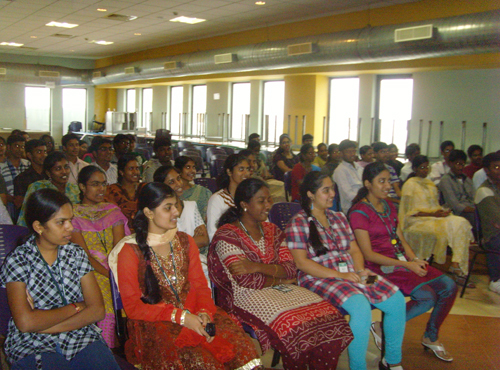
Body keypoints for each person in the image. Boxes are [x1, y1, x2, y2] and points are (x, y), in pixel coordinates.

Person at [107, 183, 262, 369]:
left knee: (243, 348)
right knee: (200, 361)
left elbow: (200, 285)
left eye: (176, 205)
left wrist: (204, 311)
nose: (176, 212)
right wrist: (181, 317)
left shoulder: (185, 241)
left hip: (195, 309)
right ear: (148, 212)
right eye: (168, 208)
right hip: (156, 321)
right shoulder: (129, 251)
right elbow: (133, 308)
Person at [209, 178, 353, 370]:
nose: (268, 205)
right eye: (262, 201)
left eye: (269, 200)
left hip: (282, 289)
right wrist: (281, 277)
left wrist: (257, 266)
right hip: (245, 297)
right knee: (296, 329)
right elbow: (246, 280)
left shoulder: (272, 230)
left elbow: (291, 269)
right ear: (244, 205)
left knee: (331, 318)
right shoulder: (227, 235)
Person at [286, 171, 406, 370]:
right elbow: (301, 263)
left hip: (350, 272)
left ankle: (392, 360)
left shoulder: (339, 217)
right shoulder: (299, 222)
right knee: (360, 307)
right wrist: (340, 275)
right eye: (326, 190)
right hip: (319, 276)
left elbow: (354, 249)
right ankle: (358, 367)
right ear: (310, 194)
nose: (333, 194)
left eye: (332, 188)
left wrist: (360, 270)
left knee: (396, 300)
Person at [0, 188, 120, 370]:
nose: (70, 227)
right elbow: (25, 323)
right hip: (32, 341)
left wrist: (45, 323)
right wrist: (76, 307)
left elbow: (97, 311)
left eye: (70, 220)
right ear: (39, 227)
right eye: (61, 222)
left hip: (79, 334)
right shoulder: (18, 260)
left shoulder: (76, 254)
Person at [349, 162, 457, 362]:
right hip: (379, 267)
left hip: (400, 263)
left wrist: (414, 258)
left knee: (449, 286)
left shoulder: (390, 206)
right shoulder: (359, 212)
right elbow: (368, 255)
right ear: (368, 184)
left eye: (389, 180)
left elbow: (399, 236)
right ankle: (382, 327)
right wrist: (407, 265)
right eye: (381, 181)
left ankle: (430, 336)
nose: (387, 185)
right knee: (427, 296)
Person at [71, 166, 130, 348]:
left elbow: (118, 248)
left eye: (104, 184)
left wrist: (116, 273)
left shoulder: (112, 211)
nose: (101, 189)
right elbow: (84, 255)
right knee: (108, 310)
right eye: (95, 184)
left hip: (115, 266)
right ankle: (107, 354)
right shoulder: (72, 214)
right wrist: (108, 274)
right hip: (89, 269)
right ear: (82, 186)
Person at [399, 155, 474, 286]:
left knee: (461, 223)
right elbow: (408, 212)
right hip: (417, 220)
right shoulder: (409, 184)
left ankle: (456, 263)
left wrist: (440, 212)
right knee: (444, 228)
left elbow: (434, 205)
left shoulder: (430, 184)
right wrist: (433, 213)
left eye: (427, 167)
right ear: (415, 168)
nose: (425, 170)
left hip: (434, 217)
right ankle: (455, 269)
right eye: (422, 167)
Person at [153, 165, 209, 255]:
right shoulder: (159, 212)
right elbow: (167, 246)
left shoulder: (191, 205)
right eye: (171, 182)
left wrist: (178, 243)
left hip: (195, 260)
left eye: (178, 178)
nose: (178, 184)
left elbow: (204, 240)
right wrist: (192, 239)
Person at [18, 151, 80, 227]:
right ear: (48, 173)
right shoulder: (38, 187)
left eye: (66, 167)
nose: (64, 172)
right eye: (58, 169)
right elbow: (25, 215)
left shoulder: (74, 189)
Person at [207, 154, 251, 240]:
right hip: (228, 247)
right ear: (229, 172)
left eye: (248, 169)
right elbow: (212, 234)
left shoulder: (252, 197)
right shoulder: (217, 199)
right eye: (241, 169)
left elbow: (264, 226)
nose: (246, 173)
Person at [474, 152, 500, 295]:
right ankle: (496, 280)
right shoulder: (484, 191)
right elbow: (498, 221)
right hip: (492, 237)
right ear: (486, 170)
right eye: (496, 167)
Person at [105, 154, 146, 232]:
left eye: (137, 168)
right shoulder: (111, 191)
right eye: (131, 169)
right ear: (121, 172)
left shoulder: (145, 189)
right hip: (120, 233)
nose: (135, 172)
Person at [437, 149, 475, 226]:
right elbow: (453, 204)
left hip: (472, 209)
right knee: (473, 217)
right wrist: (471, 210)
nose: (461, 167)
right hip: (456, 211)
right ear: (450, 164)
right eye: (458, 164)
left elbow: (474, 197)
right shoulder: (446, 180)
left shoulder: (466, 179)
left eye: (463, 164)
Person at [174, 156, 212, 222]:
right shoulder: (173, 193)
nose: (192, 171)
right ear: (179, 170)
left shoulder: (204, 192)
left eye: (194, 167)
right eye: (188, 167)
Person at [13, 139, 48, 210]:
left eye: (45, 152)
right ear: (29, 155)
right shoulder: (21, 178)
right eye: (39, 152)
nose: (43, 155)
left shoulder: (51, 174)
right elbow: (19, 204)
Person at [332, 139, 364, 214]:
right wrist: (366, 201)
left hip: (364, 203)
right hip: (352, 208)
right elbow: (348, 195)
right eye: (348, 152)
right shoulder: (340, 171)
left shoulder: (359, 167)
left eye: (353, 151)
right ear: (341, 154)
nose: (352, 154)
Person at [0, 135, 30, 200]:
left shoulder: (28, 164)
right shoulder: (2, 166)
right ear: (8, 147)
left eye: (22, 147)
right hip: (8, 203)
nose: (20, 149)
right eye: (17, 146)